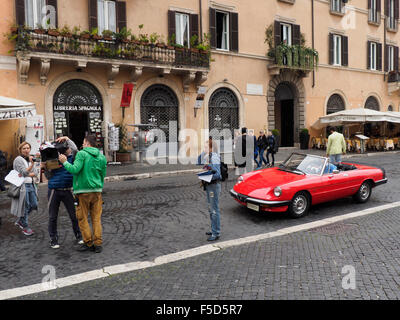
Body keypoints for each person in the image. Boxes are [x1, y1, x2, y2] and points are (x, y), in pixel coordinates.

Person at [58, 135, 107, 253]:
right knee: (96, 218)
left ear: (86, 143)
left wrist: (64, 162)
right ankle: (98, 243)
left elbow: (74, 169)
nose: (83, 144)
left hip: (82, 191)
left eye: (84, 142)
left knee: (82, 218)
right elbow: (103, 175)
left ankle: (88, 242)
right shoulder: (101, 156)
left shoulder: (82, 154)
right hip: (97, 191)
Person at [43, 136, 83, 249]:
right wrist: (46, 168)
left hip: (68, 190)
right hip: (54, 191)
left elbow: (75, 149)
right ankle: (53, 239)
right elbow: (48, 176)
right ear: (63, 151)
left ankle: (79, 235)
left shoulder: (72, 157)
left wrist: (67, 138)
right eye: (67, 147)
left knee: (74, 215)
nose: (70, 148)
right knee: (52, 217)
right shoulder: (52, 160)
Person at [11, 142, 38, 236]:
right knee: (25, 207)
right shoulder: (18, 160)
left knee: (34, 204)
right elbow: (24, 173)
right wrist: (31, 165)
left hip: (31, 184)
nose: (26, 150)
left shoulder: (30, 159)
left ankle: (20, 220)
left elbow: (36, 172)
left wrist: (31, 167)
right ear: (20, 150)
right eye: (24, 148)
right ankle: (25, 227)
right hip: (23, 186)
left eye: (28, 148)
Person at [197, 137, 222, 241]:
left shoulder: (214, 157)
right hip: (209, 186)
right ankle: (214, 229)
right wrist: (204, 152)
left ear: (212, 148)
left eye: (206, 147)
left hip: (213, 186)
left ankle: (216, 233)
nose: (204, 148)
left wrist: (206, 175)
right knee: (211, 209)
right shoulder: (209, 156)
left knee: (214, 210)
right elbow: (198, 161)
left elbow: (217, 174)